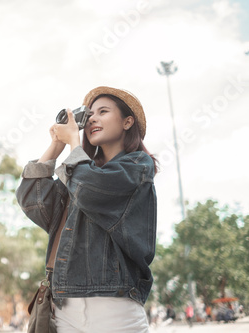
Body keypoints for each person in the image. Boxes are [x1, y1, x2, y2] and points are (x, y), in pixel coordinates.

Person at [16, 86, 158, 333]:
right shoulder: (79, 175)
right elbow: (32, 200)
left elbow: (91, 189)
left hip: (114, 307)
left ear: (127, 122)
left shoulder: (137, 165)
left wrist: (73, 142)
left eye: (103, 112)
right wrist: (56, 146)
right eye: (90, 114)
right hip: (64, 308)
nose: (93, 118)